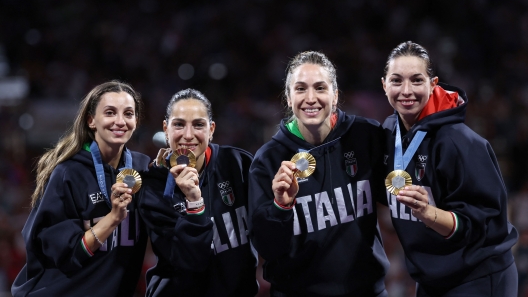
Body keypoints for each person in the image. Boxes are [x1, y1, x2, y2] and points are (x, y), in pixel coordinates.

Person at [381, 41, 518, 296]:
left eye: (417, 80)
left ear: (433, 84)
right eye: (397, 80)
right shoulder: (389, 133)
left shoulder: (459, 141)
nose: (406, 90)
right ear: (384, 84)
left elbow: (485, 224)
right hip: (431, 280)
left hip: (477, 277)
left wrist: (428, 213)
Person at [248, 51, 389, 296]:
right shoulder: (268, 160)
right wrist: (280, 206)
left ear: (335, 95)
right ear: (288, 98)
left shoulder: (365, 136)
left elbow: (395, 198)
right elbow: (267, 248)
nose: (310, 98)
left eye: (320, 88)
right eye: (301, 89)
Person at [11, 81, 150, 296]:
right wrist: (112, 218)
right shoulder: (68, 173)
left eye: (128, 113)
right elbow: (66, 253)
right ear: (91, 120)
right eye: (110, 112)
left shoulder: (143, 169)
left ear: (136, 120)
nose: (120, 121)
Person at [138, 88, 258, 297]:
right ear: (166, 129)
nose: (188, 135)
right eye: (179, 124)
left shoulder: (238, 164)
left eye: (198, 125)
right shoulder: (153, 188)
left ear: (211, 129)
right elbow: (190, 261)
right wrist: (195, 204)